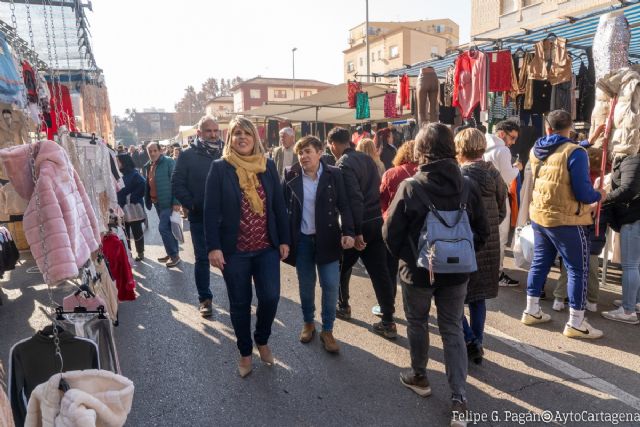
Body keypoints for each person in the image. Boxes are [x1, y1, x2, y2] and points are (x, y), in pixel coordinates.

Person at [383, 123, 489, 427]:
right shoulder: (467, 185)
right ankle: (459, 399)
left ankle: (419, 376)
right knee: (453, 328)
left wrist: (414, 259)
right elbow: (482, 230)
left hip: (418, 272)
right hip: (457, 274)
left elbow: (391, 234)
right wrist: (459, 256)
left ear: (421, 150)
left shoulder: (412, 186)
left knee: (417, 322)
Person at [204, 116, 290, 378]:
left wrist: (284, 239)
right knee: (239, 304)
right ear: (230, 138)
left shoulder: (267, 166)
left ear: (255, 139)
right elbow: (210, 211)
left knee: (270, 297)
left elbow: (278, 207)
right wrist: (213, 247)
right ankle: (244, 352)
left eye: (247, 133)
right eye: (237, 133)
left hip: (266, 249)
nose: (242, 138)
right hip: (234, 252)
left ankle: (261, 339)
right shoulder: (220, 168)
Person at [523, 110, 606, 339]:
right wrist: (600, 194)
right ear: (570, 127)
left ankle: (531, 310)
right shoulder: (575, 152)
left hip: (541, 216)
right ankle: (576, 322)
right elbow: (584, 193)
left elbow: (559, 152)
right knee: (577, 269)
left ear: (548, 128)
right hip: (567, 220)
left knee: (540, 263)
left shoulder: (536, 148)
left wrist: (590, 141)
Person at [283, 136, 355, 353]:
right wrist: (283, 240)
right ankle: (308, 322)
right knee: (306, 285)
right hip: (302, 240)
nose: (303, 156)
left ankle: (328, 330)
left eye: (308, 151)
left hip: (328, 239)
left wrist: (349, 232)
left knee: (331, 285)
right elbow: (280, 207)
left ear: (320, 152)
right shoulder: (291, 174)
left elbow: (345, 205)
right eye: (300, 153)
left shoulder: (334, 174)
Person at [327, 127, 397, 339]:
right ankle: (388, 320)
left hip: (359, 225)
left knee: (340, 267)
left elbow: (354, 199)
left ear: (333, 145)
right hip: (376, 221)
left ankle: (343, 305)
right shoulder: (367, 159)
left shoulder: (342, 164)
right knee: (379, 272)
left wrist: (356, 232)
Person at [455, 128, 507, 365]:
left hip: (465, 241)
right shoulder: (494, 174)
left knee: (453, 296)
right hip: (490, 243)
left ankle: (470, 340)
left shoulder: (458, 176)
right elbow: (502, 210)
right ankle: (478, 341)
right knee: (478, 298)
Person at [172, 115, 223, 318]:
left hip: (225, 218)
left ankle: (238, 297)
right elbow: (177, 183)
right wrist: (193, 204)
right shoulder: (187, 155)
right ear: (199, 133)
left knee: (231, 258)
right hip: (199, 217)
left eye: (215, 131)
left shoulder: (226, 152)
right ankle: (205, 299)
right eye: (208, 131)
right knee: (202, 259)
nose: (212, 135)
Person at [374, 140, 418, 317]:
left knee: (389, 270)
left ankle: (388, 306)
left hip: (393, 227)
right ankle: (414, 307)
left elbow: (382, 201)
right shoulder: (425, 172)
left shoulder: (391, 173)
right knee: (414, 270)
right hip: (417, 228)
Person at [601, 151, 640, 324]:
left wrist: (605, 198)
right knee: (636, 265)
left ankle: (628, 310)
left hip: (633, 217)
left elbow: (628, 189)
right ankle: (634, 301)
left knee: (630, 265)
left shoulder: (632, 160)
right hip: (635, 217)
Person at [483, 120, 522, 287]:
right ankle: (496, 273)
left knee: (487, 234)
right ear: (501, 134)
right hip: (498, 197)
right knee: (500, 236)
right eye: (512, 138)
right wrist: (517, 168)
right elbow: (507, 177)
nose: (512, 142)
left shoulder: (483, 146)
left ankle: (486, 270)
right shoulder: (502, 150)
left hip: (484, 197)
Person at [143, 141, 181, 268]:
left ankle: (174, 255)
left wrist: (176, 202)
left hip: (168, 202)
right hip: (157, 203)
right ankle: (172, 253)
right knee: (169, 228)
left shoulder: (169, 162)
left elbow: (177, 182)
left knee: (163, 228)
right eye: (150, 151)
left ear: (160, 150)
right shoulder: (149, 165)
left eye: (155, 150)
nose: (153, 153)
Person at [116, 153, 147, 262]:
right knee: (124, 231)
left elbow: (143, 184)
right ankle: (128, 253)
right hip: (121, 208)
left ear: (124, 162)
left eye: (118, 161)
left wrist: (133, 196)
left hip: (133, 208)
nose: (116, 163)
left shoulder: (134, 174)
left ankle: (140, 252)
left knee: (136, 230)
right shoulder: (117, 174)